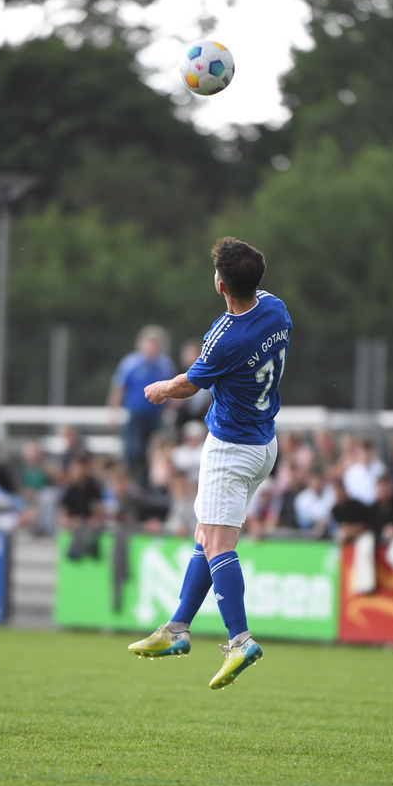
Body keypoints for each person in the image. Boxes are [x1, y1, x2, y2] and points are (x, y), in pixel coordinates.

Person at [128, 236, 291, 690]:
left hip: (231, 449)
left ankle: (240, 640)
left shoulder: (223, 336)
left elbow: (189, 385)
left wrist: (161, 387)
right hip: (264, 444)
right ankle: (177, 629)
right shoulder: (277, 309)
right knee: (205, 533)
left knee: (219, 544)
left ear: (220, 285)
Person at [108, 325, 176, 486]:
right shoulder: (130, 363)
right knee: (133, 449)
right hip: (136, 415)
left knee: (155, 451)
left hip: (155, 415)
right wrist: (113, 411)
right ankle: (133, 480)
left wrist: (170, 409)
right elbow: (119, 388)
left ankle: (149, 483)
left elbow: (173, 389)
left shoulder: (165, 365)